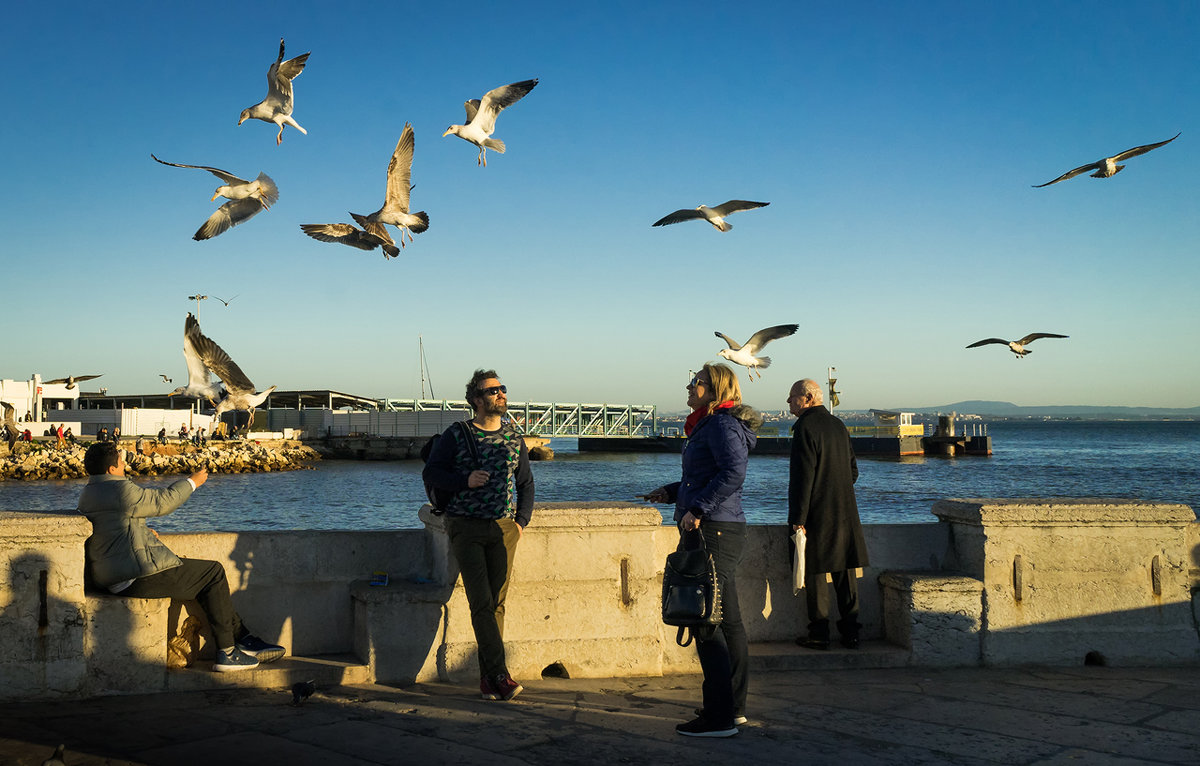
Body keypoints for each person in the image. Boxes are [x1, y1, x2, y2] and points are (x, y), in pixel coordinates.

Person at [76, 442, 285, 672]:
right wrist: (192, 482)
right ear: (111, 469)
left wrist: (143, 531)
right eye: (120, 460)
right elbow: (161, 502)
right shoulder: (119, 490)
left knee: (198, 578)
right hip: (135, 576)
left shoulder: (90, 492)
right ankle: (227, 653)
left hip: (113, 574)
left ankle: (242, 638)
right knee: (213, 573)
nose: (125, 463)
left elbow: (115, 525)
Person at [645, 362, 761, 738]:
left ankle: (719, 718)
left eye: (695, 383)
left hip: (713, 531)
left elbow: (733, 473)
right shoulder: (713, 425)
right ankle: (731, 708)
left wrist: (696, 509)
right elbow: (706, 475)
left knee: (706, 621)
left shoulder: (722, 425)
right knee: (727, 620)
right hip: (720, 526)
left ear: (713, 390)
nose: (689, 387)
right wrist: (674, 491)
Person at [422, 369, 534, 701]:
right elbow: (432, 472)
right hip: (466, 526)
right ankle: (500, 674)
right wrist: (465, 481)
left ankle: (490, 679)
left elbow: (525, 483)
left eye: (502, 389)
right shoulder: (457, 434)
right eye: (492, 391)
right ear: (476, 400)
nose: (500, 394)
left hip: (504, 528)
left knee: (496, 603)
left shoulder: (514, 437)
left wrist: (521, 523)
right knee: (482, 602)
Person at [787, 378, 870, 650]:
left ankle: (819, 633)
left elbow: (803, 478)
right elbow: (853, 471)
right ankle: (851, 633)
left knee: (815, 571)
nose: (789, 402)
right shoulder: (838, 425)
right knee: (845, 569)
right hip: (845, 510)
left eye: (793, 397)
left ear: (808, 397)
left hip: (817, 511)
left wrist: (798, 519)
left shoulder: (804, 427)